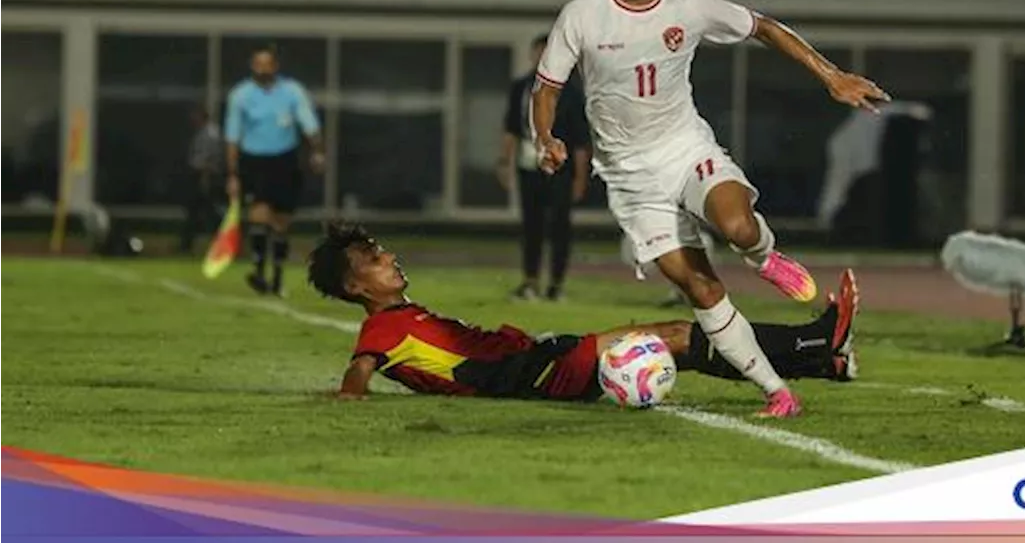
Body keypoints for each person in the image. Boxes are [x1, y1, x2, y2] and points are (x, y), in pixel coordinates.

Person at [528, 0, 889, 418]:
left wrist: (831, 76)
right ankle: (777, 391)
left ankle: (765, 257)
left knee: (740, 228)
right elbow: (547, 88)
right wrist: (546, 137)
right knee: (700, 286)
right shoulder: (581, 16)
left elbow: (764, 28)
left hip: (684, 147)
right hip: (631, 179)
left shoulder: (690, 7)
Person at [305, 222, 859, 402]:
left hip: (535, 358)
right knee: (678, 336)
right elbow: (362, 365)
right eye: (376, 260)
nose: (390, 258)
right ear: (356, 285)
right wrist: (350, 396)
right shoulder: (380, 326)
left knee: (683, 345)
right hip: (532, 376)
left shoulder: (403, 313)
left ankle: (819, 363)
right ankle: (816, 340)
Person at [224, 42, 325, 296]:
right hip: (254, 161)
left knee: (281, 222)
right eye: (258, 64)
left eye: (266, 64)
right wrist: (233, 174)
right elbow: (233, 137)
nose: (262, 69)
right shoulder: (240, 95)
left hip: (284, 161)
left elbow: (309, 123)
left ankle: (277, 277)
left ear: (275, 66)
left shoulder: (292, 92)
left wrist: (317, 151)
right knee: (258, 216)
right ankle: (259, 272)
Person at [499, 34, 591, 302]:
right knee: (531, 225)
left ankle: (556, 284)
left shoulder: (571, 91)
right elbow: (511, 129)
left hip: (561, 166)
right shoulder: (521, 88)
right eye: (538, 53)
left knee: (560, 226)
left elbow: (581, 140)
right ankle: (530, 281)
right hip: (528, 163)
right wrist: (505, 161)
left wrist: (580, 177)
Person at [177, 106, 223, 254]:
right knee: (197, 212)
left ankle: (222, 243)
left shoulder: (210, 134)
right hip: (200, 176)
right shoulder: (204, 132)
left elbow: (210, 158)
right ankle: (186, 245)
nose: (192, 119)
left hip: (205, 177)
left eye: (194, 115)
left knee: (208, 213)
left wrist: (205, 179)